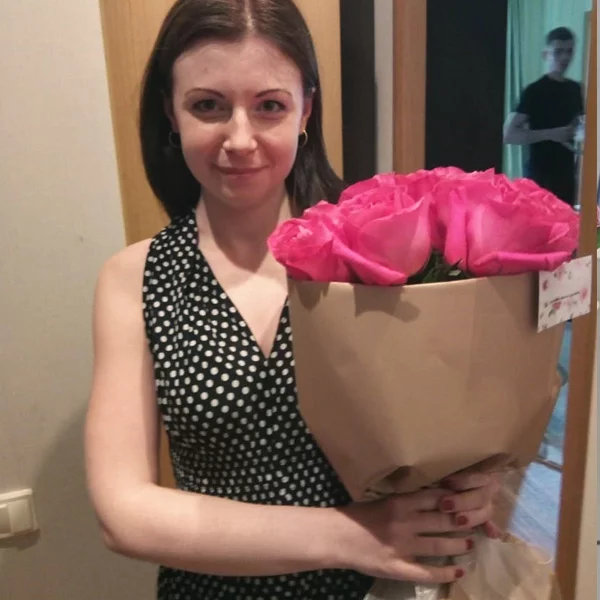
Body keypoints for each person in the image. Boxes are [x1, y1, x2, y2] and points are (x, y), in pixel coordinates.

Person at [85, 1, 499, 598]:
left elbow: (433, 428)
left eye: (269, 106)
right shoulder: (135, 278)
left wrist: (469, 482)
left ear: (306, 110)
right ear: (171, 114)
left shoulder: (380, 252)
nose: (239, 138)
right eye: (207, 105)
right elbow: (124, 513)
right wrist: (352, 534)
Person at [504, 27, 585, 206]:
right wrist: (551, 134)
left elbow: (580, 124)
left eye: (569, 51)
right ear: (545, 54)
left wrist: (580, 133)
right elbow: (508, 135)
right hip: (538, 177)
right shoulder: (534, 91)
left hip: (567, 177)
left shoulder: (576, 90)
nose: (564, 57)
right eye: (558, 52)